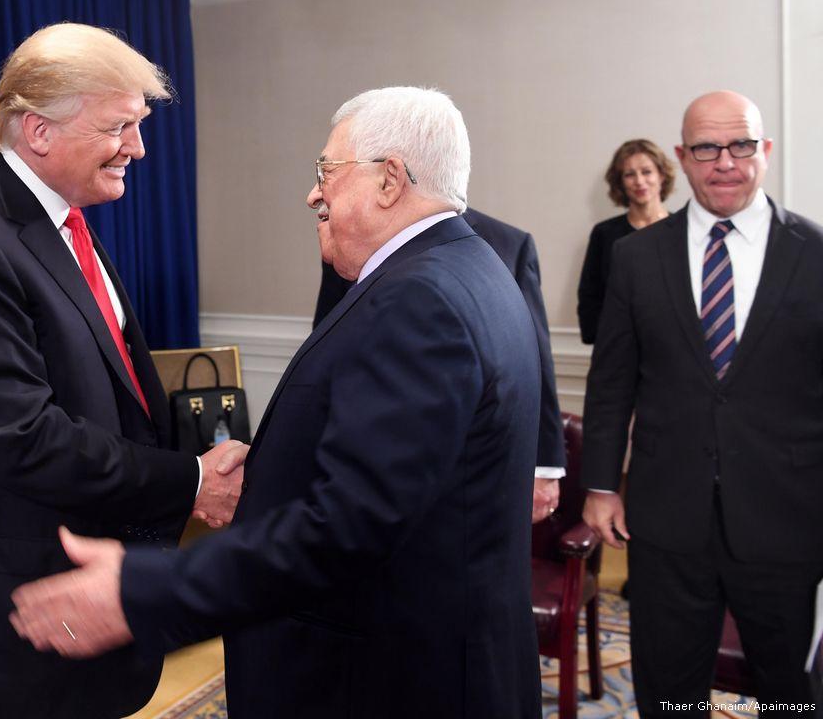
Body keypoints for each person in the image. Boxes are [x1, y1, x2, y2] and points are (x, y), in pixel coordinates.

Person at [10, 87, 543, 719]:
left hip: (384, 679)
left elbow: (349, 528)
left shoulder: (419, 301)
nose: (313, 194)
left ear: (389, 180)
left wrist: (143, 591)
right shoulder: (472, 268)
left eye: (327, 170)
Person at [0, 23, 247, 717]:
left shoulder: (54, 215)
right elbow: (26, 440)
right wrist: (190, 481)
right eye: (119, 127)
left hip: (64, 606)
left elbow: (108, 396)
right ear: (39, 131)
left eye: (138, 124)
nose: (138, 147)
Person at [581, 91, 823, 717]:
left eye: (741, 145)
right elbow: (612, 382)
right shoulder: (635, 256)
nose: (726, 162)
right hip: (666, 514)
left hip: (788, 515)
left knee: (790, 691)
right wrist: (601, 485)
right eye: (708, 148)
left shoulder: (815, 251)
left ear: (765, 151)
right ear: (683, 157)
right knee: (668, 686)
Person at [315, 205, 567, 522]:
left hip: (475, 456)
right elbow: (326, 344)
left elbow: (535, 357)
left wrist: (544, 466)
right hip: (368, 448)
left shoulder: (510, 243)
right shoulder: (353, 238)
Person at [576, 139, 673, 344]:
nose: (639, 181)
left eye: (646, 172)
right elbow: (590, 297)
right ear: (619, 182)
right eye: (629, 174)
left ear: (662, 175)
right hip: (617, 347)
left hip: (672, 348)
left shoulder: (681, 230)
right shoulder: (604, 234)